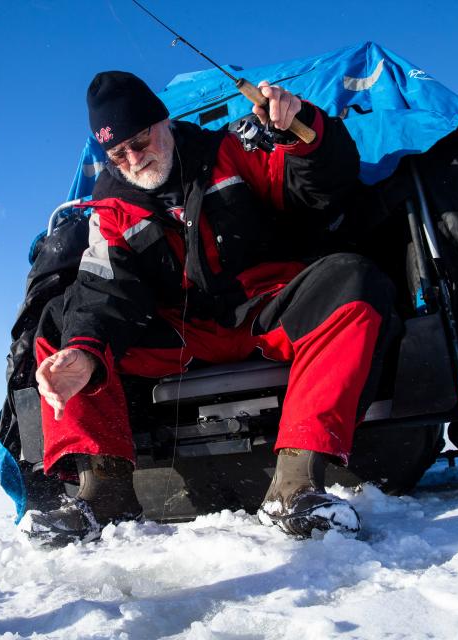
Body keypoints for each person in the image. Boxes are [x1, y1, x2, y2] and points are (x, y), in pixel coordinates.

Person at [21, 70, 399, 545]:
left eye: (140, 141)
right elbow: (104, 292)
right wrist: (84, 353)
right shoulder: (111, 209)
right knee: (64, 328)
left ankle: (295, 485)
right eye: (119, 154)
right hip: (182, 336)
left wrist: (303, 131)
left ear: (164, 122)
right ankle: (104, 494)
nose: (134, 159)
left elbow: (317, 189)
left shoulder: (231, 150)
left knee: (354, 281)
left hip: (266, 308)